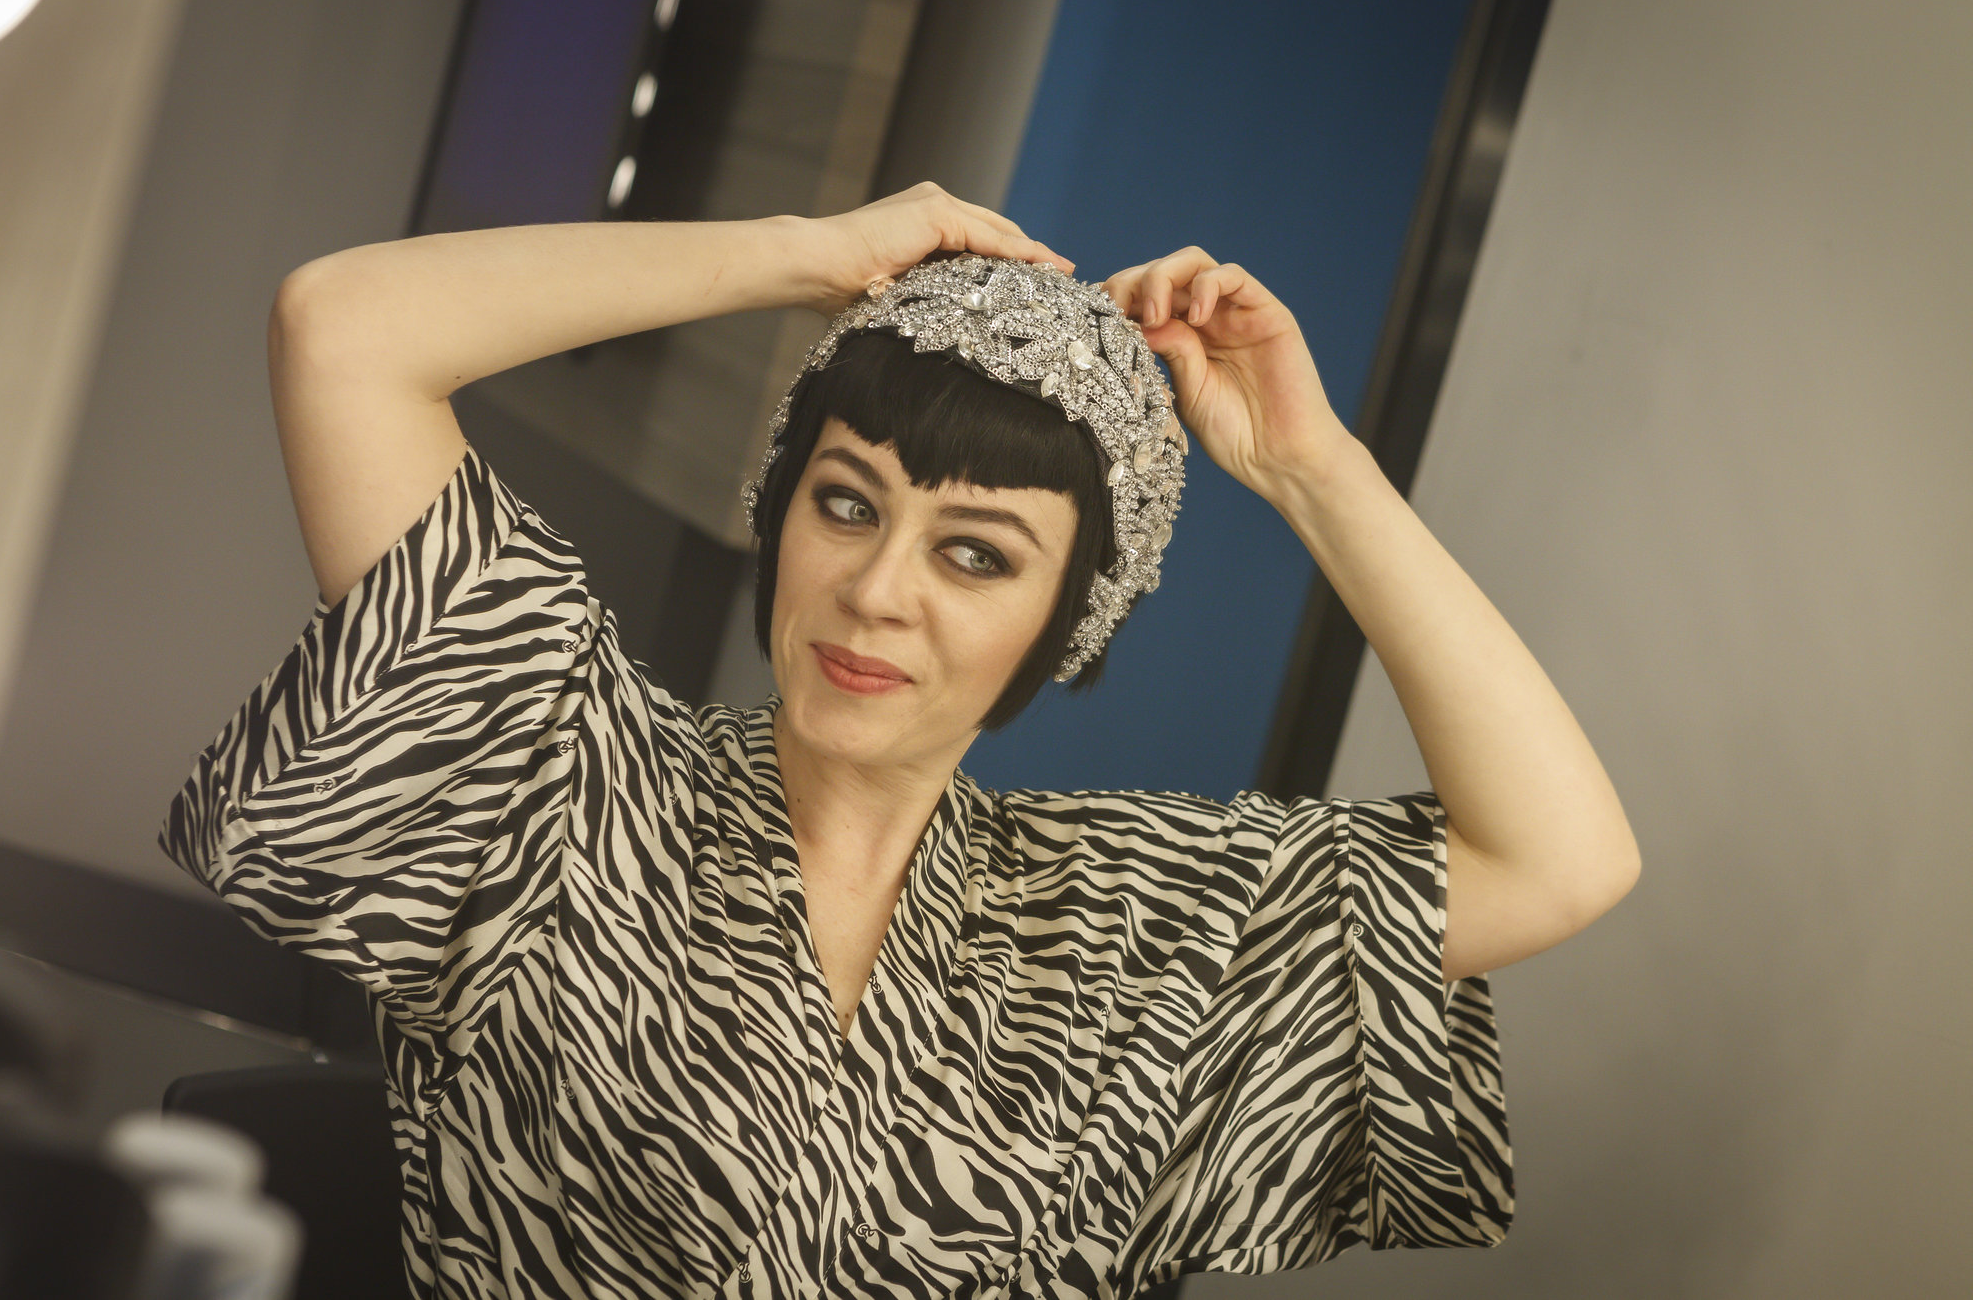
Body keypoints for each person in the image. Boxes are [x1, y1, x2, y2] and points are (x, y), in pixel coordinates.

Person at [158, 182, 1640, 1299]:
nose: (876, 589)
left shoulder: (1133, 922)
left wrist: (1313, 469)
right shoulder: (570, 780)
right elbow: (343, 330)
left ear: (1068, 621)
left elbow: (1559, 859)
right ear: (782, 517)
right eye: (848, 503)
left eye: (976, 554)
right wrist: (804, 254)